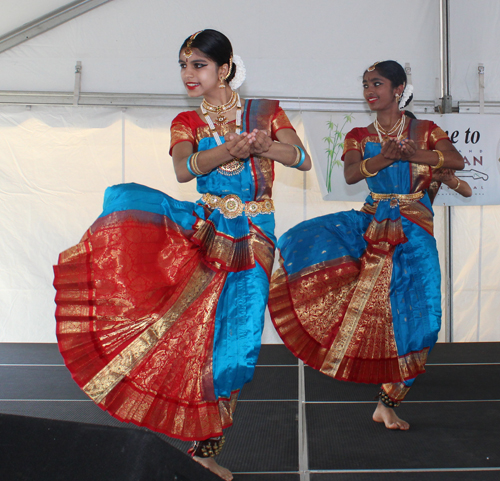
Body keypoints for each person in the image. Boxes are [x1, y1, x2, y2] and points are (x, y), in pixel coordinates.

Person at [53, 29, 310, 481]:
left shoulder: (264, 111)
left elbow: (303, 159)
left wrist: (263, 146)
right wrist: (225, 151)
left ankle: (208, 441)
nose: (188, 74)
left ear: (225, 68)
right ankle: (204, 448)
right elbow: (183, 169)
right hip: (206, 233)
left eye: (199, 65)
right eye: (184, 65)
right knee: (193, 332)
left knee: (238, 345)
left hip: (255, 237)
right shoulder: (186, 122)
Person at [268, 60, 463, 431]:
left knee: (425, 319)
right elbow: (352, 173)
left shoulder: (425, 130)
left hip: (415, 230)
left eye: (377, 83)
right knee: (366, 304)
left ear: (399, 88)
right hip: (372, 225)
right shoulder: (358, 134)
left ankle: (389, 400)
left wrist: (411, 154)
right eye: (365, 84)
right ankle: (380, 399)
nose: (370, 91)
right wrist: (386, 156)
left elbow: (456, 159)